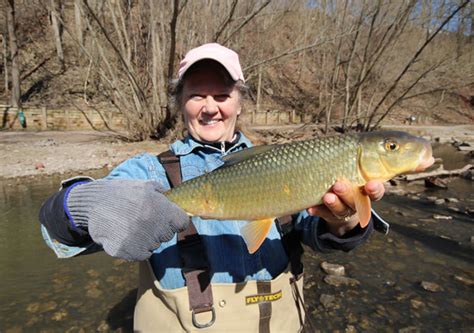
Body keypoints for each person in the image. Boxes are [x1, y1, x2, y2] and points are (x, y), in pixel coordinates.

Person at [39, 43, 386, 332]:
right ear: (180, 102)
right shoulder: (149, 170)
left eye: (221, 94)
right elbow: (55, 226)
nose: (209, 108)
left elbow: (325, 235)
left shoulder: (287, 161)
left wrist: (343, 224)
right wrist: (81, 203)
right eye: (196, 95)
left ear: (239, 100)